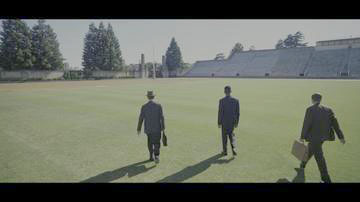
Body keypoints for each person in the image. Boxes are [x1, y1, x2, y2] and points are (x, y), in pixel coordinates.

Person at [299, 93, 345, 183]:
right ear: (320, 100)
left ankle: (326, 179)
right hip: (323, 137)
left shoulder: (310, 109)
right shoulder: (329, 110)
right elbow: (335, 124)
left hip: (314, 138)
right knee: (310, 149)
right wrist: (341, 137)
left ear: (312, 99)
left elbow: (306, 124)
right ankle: (302, 165)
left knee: (319, 158)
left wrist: (302, 137)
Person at [137, 91, 165, 164]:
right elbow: (162, 117)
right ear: (154, 97)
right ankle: (156, 156)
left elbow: (141, 118)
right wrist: (163, 127)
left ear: (147, 97)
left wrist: (138, 128)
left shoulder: (144, 106)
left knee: (149, 142)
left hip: (148, 128)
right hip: (157, 128)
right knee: (157, 143)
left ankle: (151, 156)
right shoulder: (159, 105)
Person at [218, 86, 240, 156]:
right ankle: (234, 150)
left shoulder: (221, 101)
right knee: (232, 136)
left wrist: (219, 122)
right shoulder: (236, 101)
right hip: (232, 122)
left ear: (224, 92)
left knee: (224, 137)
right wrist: (236, 123)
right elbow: (238, 113)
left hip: (224, 122)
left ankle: (225, 151)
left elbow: (220, 112)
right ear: (230, 91)